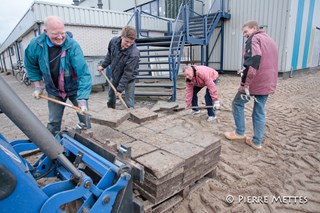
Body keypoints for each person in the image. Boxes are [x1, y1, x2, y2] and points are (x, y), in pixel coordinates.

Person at [24, 16, 92, 135]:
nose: (60, 37)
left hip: (75, 89)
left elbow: (83, 73)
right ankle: (52, 146)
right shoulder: (36, 45)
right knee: (53, 122)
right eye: (55, 33)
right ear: (45, 31)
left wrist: (82, 99)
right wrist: (38, 86)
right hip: (54, 90)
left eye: (62, 33)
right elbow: (31, 65)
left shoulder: (72, 46)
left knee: (84, 117)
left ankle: (89, 139)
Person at [224, 20, 278, 150]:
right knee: (259, 111)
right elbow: (264, 61)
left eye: (246, 31)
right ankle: (257, 141)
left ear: (254, 28)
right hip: (268, 81)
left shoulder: (254, 39)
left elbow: (254, 61)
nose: (245, 35)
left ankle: (239, 132)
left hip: (255, 82)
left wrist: (245, 84)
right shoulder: (269, 40)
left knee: (237, 103)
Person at [97, 26, 140, 109]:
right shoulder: (113, 42)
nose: (128, 44)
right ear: (122, 37)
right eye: (127, 41)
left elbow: (127, 73)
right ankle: (110, 110)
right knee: (111, 96)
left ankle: (131, 113)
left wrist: (120, 90)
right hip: (115, 75)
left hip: (128, 79)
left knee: (129, 100)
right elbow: (110, 54)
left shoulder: (134, 53)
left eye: (131, 42)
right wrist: (103, 65)